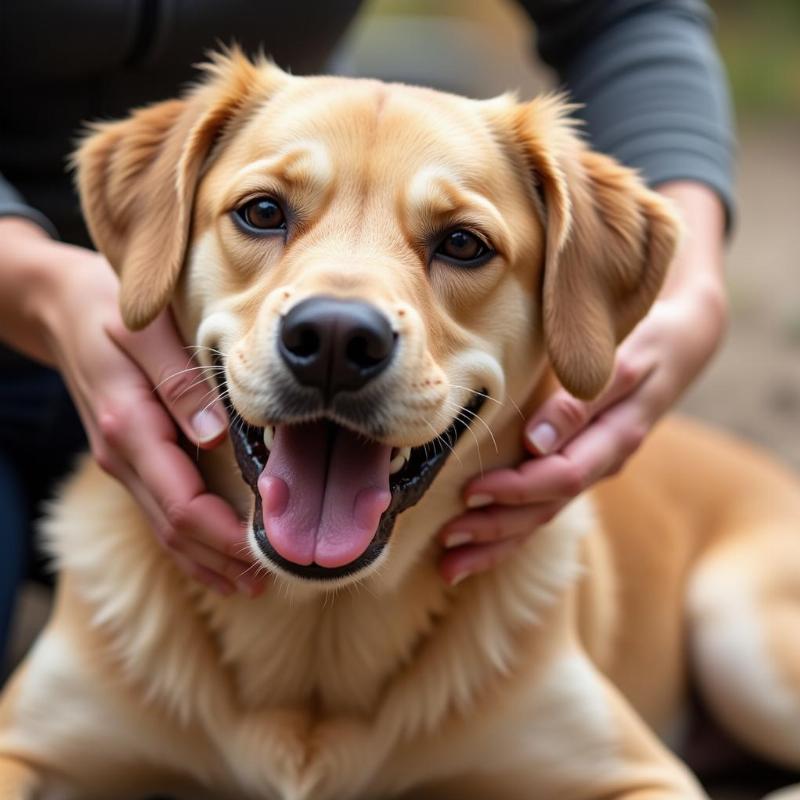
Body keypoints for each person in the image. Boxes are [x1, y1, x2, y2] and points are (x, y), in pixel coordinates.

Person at [0, 1, 733, 659]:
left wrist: (690, 286)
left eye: (462, 243)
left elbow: (622, 12)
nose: (341, 321)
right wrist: (34, 281)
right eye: (263, 213)